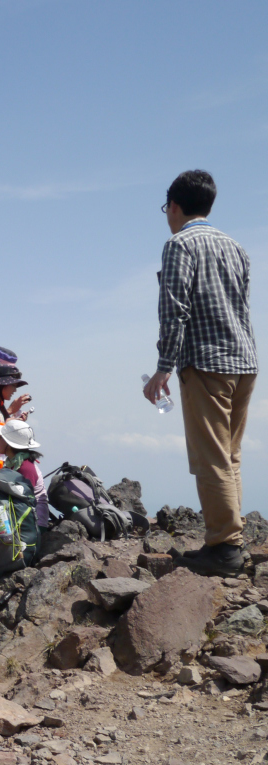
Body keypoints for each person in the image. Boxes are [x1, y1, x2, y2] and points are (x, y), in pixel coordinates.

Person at [144, 170, 257, 576]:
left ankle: (225, 548)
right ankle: (230, 541)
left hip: (206, 362)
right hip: (245, 362)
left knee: (211, 459)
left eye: (166, 208)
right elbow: (241, 307)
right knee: (229, 456)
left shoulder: (179, 245)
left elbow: (174, 310)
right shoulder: (237, 247)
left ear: (174, 206)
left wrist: (163, 368)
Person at [0, 419, 49, 530]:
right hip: (23, 518)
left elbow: (25, 500)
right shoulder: (14, 463)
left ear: (8, 443)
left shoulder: (26, 468)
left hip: (32, 525)